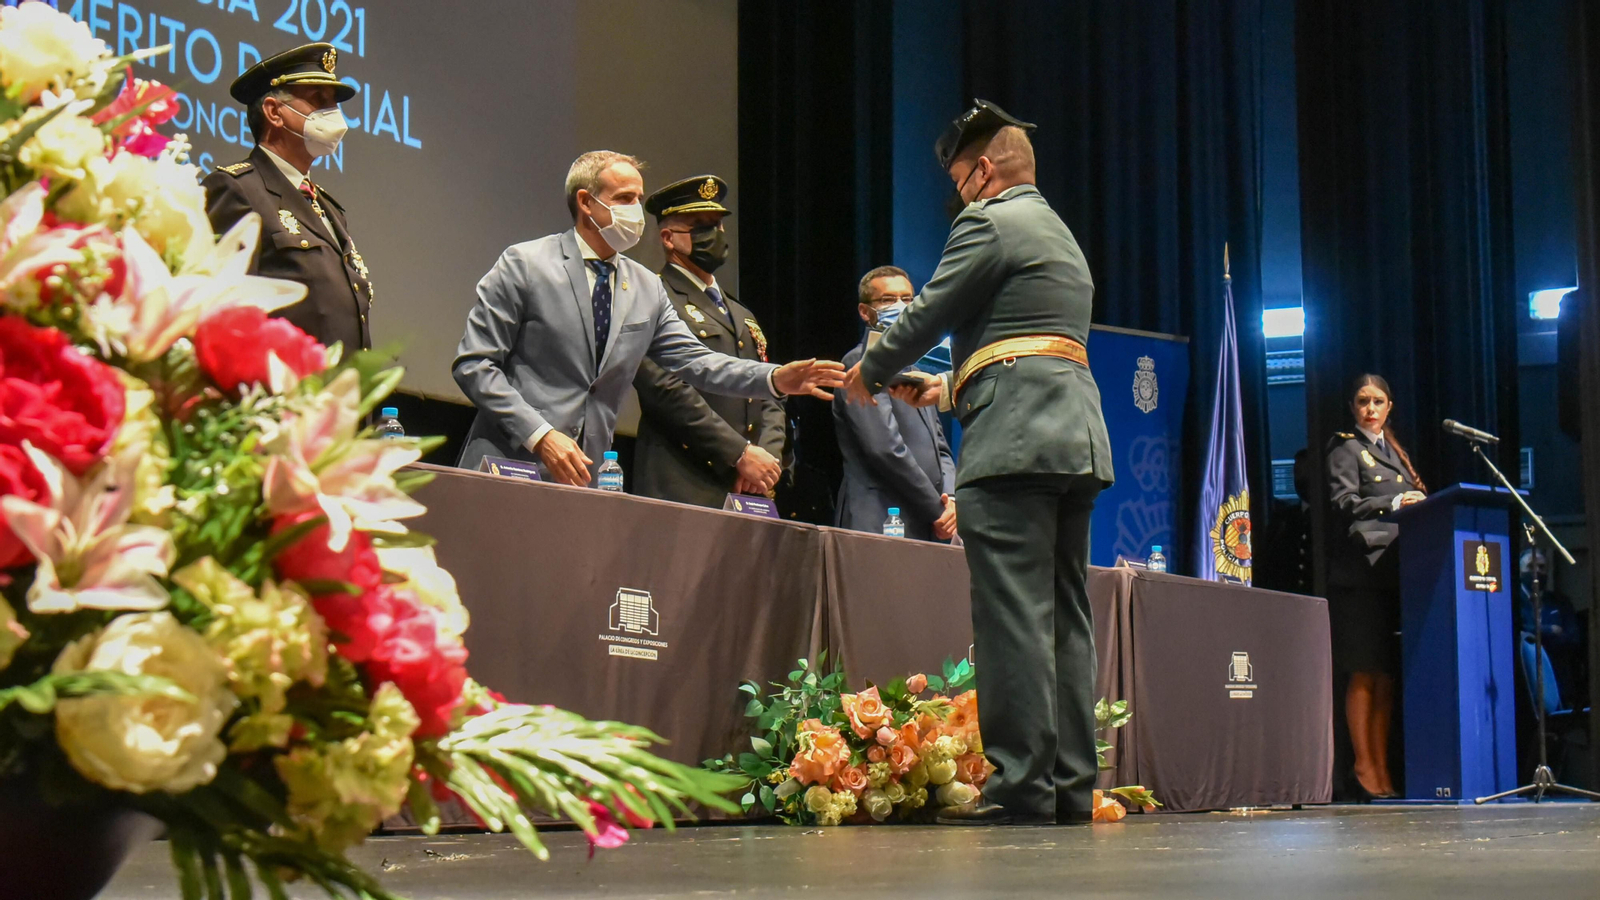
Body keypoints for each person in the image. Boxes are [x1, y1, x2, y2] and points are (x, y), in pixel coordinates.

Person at [843, 100, 1114, 825]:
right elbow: (1029, 349)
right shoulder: (1058, 232)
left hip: (1012, 449)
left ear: (983, 171)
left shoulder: (988, 221)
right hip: (1075, 440)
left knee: (1014, 620)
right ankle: (1068, 786)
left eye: (960, 177)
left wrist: (869, 370)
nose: (958, 193)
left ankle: (1021, 788)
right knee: (1065, 617)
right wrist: (949, 388)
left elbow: (929, 310)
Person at [452, 151, 843, 484]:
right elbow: (475, 364)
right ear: (586, 202)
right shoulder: (526, 263)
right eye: (624, 198)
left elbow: (697, 361)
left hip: (584, 477)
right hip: (507, 463)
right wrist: (540, 434)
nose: (636, 210)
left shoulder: (645, 287)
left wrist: (774, 378)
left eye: (638, 198)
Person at [202, 43, 373, 353]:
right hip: (279, 393)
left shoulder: (329, 209)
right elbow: (224, 315)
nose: (332, 115)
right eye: (318, 101)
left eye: (332, 103)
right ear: (273, 112)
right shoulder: (237, 189)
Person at [630, 176, 786, 507]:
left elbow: (769, 397)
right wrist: (738, 453)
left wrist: (766, 461)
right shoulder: (652, 297)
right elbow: (663, 388)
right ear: (669, 238)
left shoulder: (740, 312)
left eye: (717, 225)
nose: (713, 236)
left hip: (749, 484)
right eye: (700, 227)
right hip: (684, 477)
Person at [1325, 374, 1428, 800]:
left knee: (1385, 677)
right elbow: (1343, 502)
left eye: (1378, 401)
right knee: (1364, 673)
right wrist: (1393, 501)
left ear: (1390, 407)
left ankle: (1382, 765)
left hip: (1394, 573)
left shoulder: (1395, 451)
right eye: (1363, 401)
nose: (1370, 408)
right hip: (1360, 576)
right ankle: (1363, 765)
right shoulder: (1346, 448)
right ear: (1352, 406)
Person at [833, 266, 956, 541]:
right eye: (888, 300)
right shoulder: (857, 364)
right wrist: (937, 510)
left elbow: (940, 446)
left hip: (928, 522)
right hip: (881, 521)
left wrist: (952, 499)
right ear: (865, 312)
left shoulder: (917, 365)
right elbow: (884, 448)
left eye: (908, 299)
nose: (900, 306)